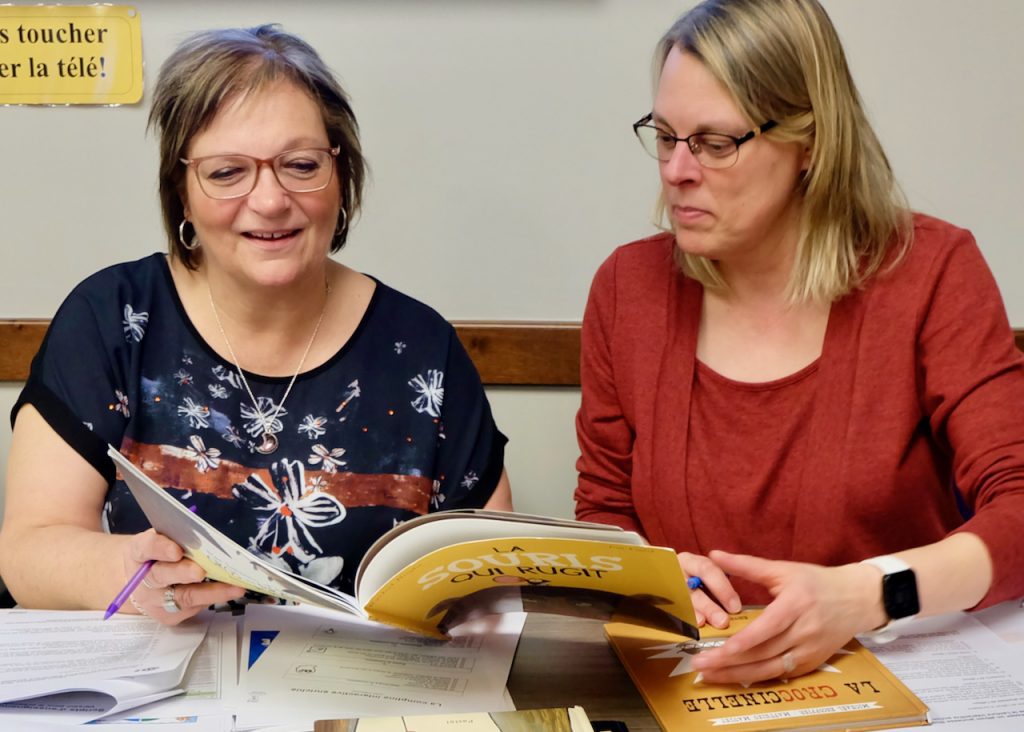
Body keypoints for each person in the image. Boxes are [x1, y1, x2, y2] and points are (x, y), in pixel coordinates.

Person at [574, 0, 1024, 684]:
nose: (676, 171)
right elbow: (604, 515)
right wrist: (651, 573)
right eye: (665, 135)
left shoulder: (931, 272)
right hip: (699, 680)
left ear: (810, 140)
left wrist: (868, 594)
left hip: (895, 677)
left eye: (715, 143)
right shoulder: (626, 288)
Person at [0, 25, 511, 624]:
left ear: (340, 179)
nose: (269, 201)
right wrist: (128, 574)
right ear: (181, 194)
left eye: (300, 164)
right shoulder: (112, 320)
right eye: (226, 173)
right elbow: (28, 550)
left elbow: (493, 580)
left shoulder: (424, 350)